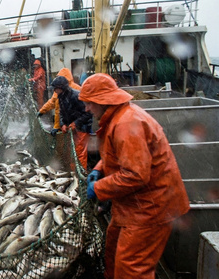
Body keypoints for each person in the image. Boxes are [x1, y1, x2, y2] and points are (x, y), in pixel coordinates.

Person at [80, 73, 190, 279]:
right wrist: (100, 168)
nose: (86, 109)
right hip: (133, 204)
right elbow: (120, 155)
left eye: (89, 103)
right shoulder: (119, 116)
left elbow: (135, 175)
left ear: (103, 101)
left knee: (131, 269)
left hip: (151, 209)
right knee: (112, 249)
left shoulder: (126, 124)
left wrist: (98, 188)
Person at [49, 75, 92, 169]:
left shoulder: (76, 96)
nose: (54, 91)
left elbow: (88, 114)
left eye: (56, 89)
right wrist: (62, 124)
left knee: (79, 152)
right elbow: (61, 113)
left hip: (82, 128)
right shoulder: (61, 96)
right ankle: (74, 172)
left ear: (61, 88)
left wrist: (76, 123)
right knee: (71, 151)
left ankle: (80, 175)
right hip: (71, 128)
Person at [38, 68, 82, 132]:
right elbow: (52, 102)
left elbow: (83, 110)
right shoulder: (58, 90)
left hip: (75, 127)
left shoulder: (75, 90)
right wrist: (42, 111)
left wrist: (76, 123)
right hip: (63, 126)